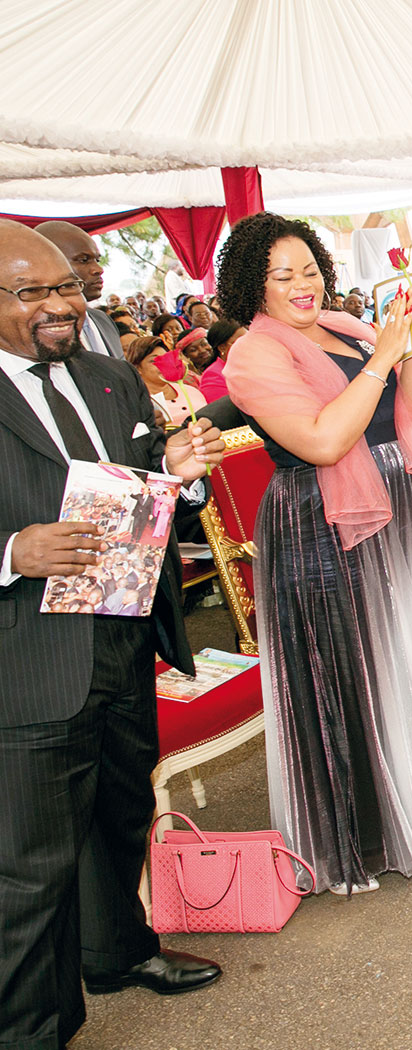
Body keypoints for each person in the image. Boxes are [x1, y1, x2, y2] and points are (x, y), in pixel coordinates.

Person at [219, 211, 412, 896]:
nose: (301, 285)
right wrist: (380, 359)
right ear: (253, 286)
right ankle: (360, 833)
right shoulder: (255, 353)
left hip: (389, 506)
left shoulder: (346, 329)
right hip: (320, 520)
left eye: (309, 269)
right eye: (281, 275)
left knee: (399, 656)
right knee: (343, 671)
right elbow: (321, 441)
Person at [0, 220, 226, 1048]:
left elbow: (143, 494)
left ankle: (118, 952)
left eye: (65, 286)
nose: (61, 305)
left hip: (123, 639)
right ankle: (32, 1028)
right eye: (33, 293)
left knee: (120, 812)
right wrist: (13, 550)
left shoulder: (105, 377)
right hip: (24, 662)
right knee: (29, 870)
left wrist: (180, 476)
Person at [35, 220, 121, 360]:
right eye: (83, 260)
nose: (98, 270)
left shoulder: (103, 320)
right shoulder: (39, 330)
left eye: (97, 260)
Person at [127, 335, 207, 425]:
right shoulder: (138, 402)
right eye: (154, 361)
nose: (163, 364)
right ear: (137, 368)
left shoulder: (191, 391)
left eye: (165, 358)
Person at [198, 317, 246, 402]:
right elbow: (223, 412)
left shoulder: (253, 364)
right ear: (222, 347)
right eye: (241, 341)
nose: (248, 344)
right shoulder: (213, 376)